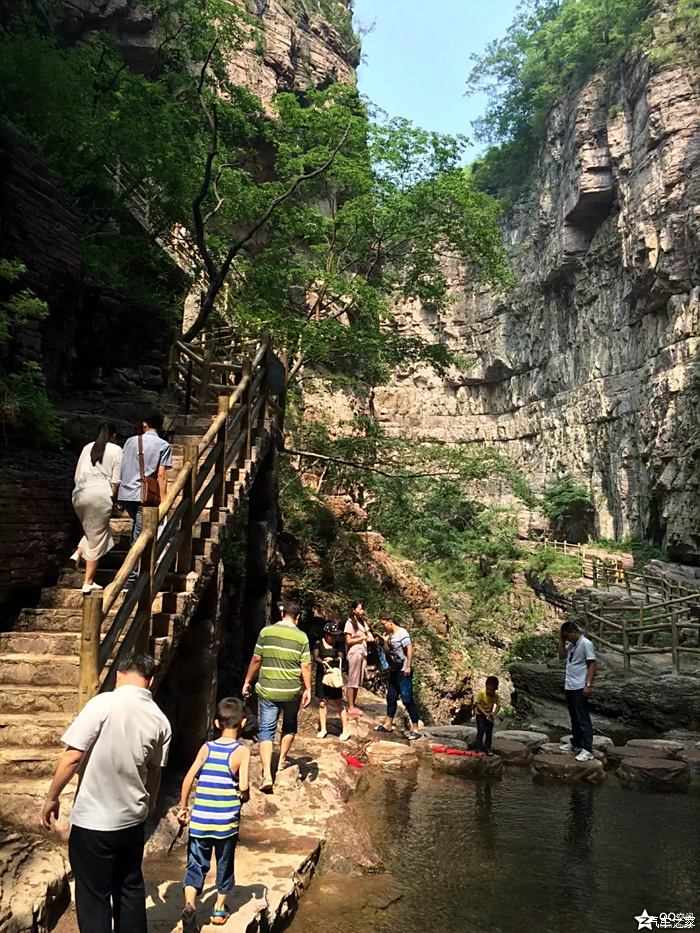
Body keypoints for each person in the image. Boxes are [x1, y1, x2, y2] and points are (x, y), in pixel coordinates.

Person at [41, 653, 171, 933]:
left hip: (94, 822)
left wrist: (52, 797)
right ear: (149, 680)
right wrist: (150, 803)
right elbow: (155, 771)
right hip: (132, 821)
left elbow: (72, 757)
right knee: (130, 888)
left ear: (118, 674)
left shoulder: (103, 704)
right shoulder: (160, 719)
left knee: (93, 896)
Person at [177, 697, 250, 932]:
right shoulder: (242, 752)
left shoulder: (207, 748)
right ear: (244, 722)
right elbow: (245, 786)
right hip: (225, 824)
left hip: (200, 821)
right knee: (224, 865)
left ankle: (189, 905)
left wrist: (183, 807)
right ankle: (219, 910)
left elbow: (189, 778)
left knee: (196, 865)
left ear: (218, 723)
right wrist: (244, 797)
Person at [242, 599, 312, 793]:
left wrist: (247, 680)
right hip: (291, 691)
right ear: (297, 618)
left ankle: (266, 774)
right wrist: (308, 689)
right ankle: (280, 761)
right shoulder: (302, 638)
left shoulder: (266, 632)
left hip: (268, 688)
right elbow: (305, 665)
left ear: (282, 615)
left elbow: (257, 659)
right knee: (289, 724)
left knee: (266, 729)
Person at [118, 408, 172, 587]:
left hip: (127, 493)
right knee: (139, 536)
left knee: (138, 528)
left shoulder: (130, 441)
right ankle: (130, 579)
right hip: (145, 496)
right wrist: (164, 501)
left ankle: (135, 573)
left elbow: (123, 466)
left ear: (144, 423)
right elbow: (162, 475)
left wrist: (118, 493)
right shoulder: (163, 445)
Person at [70, 423, 122, 595]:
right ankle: (88, 581)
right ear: (113, 436)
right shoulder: (116, 450)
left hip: (80, 494)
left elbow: (77, 476)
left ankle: (78, 553)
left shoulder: (87, 447)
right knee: (97, 538)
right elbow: (115, 481)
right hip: (100, 494)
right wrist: (112, 499)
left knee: (95, 531)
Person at [374, 618, 421, 740]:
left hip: (404, 670)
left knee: (407, 699)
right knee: (391, 697)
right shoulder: (389, 635)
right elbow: (387, 652)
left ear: (390, 621)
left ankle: (416, 729)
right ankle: (388, 724)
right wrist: (384, 642)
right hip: (394, 670)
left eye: (384, 624)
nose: (383, 626)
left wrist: (408, 666)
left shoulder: (402, 633)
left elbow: (409, 648)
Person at [558, 621, 597, 761]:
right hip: (570, 685)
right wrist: (562, 641)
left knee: (582, 717)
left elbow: (592, 664)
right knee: (574, 716)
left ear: (574, 631)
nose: (567, 639)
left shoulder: (586, 644)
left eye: (568, 636)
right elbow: (561, 656)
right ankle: (576, 743)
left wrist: (588, 684)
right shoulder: (571, 645)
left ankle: (587, 749)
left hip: (580, 685)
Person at [314, 622, 351, 742]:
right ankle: (323, 729)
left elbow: (341, 658)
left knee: (339, 703)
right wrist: (322, 662)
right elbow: (315, 657)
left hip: (334, 677)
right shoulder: (318, 644)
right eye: (332, 635)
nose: (334, 637)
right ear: (326, 634)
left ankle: (345, 730)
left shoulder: (338, 644)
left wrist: (333, 660)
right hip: (322, 677)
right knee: (322, 703)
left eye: (335, 635)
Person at [343, 601, 373, 716]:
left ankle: (353, 705)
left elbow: (368, 633)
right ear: (354, 610)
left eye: (362, 609)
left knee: (357, 681)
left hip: (362, 653)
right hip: (355, 652)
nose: (362, 611)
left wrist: (369, 636)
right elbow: (348, 641)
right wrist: (363, 638)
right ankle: (350, 707)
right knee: (353, 680)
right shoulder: (350, 622)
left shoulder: (362, 622)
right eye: (360, 609)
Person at [472, 676, 501, 755]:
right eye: (488, 689)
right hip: (480, 714)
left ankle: (487, 747)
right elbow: (477, 703)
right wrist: (484, 713)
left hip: (489, 715)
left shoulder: (495, 696)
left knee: (489, 732)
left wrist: (494, 713)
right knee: (481, 730)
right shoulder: (482, 693)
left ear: (495, 689)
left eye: (491, 690)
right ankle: (478, 747)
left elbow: (498, 705)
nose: (489, 691)